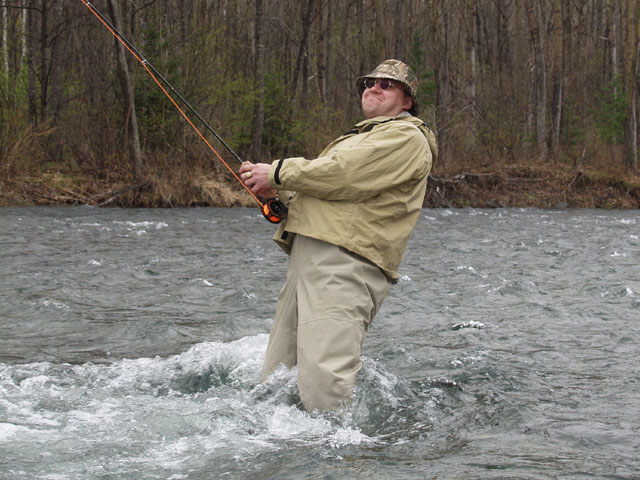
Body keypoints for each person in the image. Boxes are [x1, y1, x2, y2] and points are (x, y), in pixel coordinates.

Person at [239, 59, 438, 412]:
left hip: (345, 263)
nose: (373, 88)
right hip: (310, 259)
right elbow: (330, 191)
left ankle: (339, 461)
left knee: (323, 381)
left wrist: (279, 172)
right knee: (277, 379)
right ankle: (277, 453)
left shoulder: (407, 137)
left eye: (386, 84)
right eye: (368, 83)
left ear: (407, 100)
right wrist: (276, 193)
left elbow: (344, 175)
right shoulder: (364, 136)